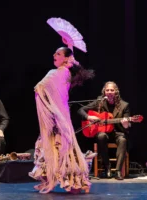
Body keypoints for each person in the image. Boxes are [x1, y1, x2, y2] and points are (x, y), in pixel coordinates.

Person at [29, 46, 94, 194]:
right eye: (54, 53)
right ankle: (75, 182)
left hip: (58, 117)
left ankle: (72, 181)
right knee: (61, 147)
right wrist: (69, 47)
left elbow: (40, 86)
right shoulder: (66, 72)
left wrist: (39, 89)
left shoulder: (58, 73)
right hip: (59, 116)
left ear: (65, 58)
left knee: (60, 147)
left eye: (58, 54)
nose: (54, 55)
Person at [77, 81, 130, 180]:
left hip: (117, 132)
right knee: (101, 136)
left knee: (123, 140)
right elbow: (81, 110)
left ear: (116, 92)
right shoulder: (99, 102)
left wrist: (126, 124)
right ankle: (107, 168)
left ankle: (118, 171)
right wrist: (88, 117)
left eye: (112, 90)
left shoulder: (124, 105)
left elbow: (127, 125)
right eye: (107, 90)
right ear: (104, 92)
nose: (109, 92)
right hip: (103, 132)